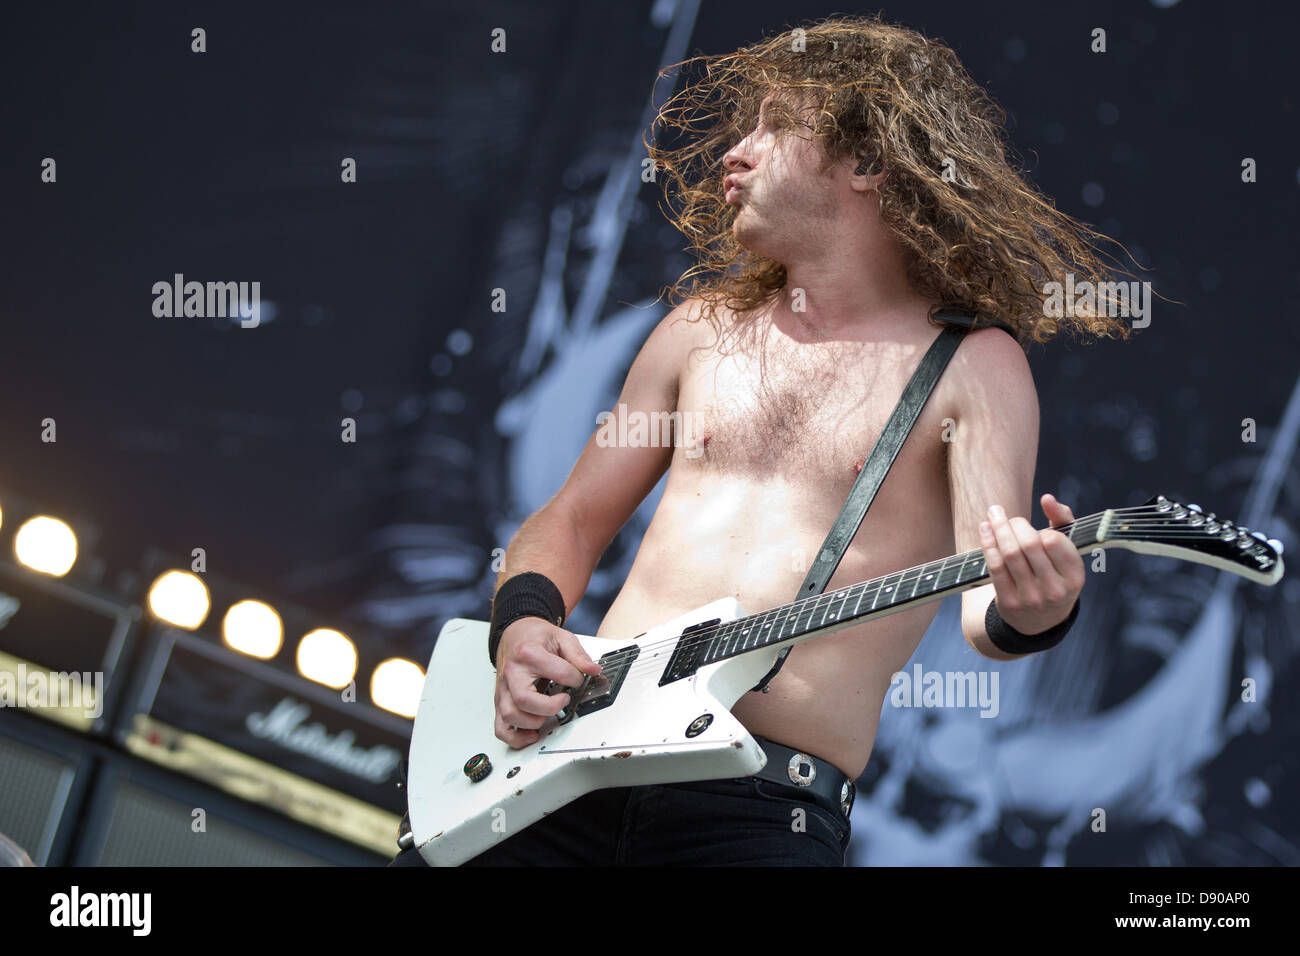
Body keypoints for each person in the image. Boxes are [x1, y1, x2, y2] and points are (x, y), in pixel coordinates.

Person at [390, 13, 1133, 867]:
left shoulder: (974, 363)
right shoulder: (699, 328)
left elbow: (987, 608)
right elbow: (571, 521)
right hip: (566, 762)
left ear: (869, 162)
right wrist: (520, 627)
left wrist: (1039, 608)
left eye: (776, 126)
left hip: (760, 813)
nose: (734, 153)